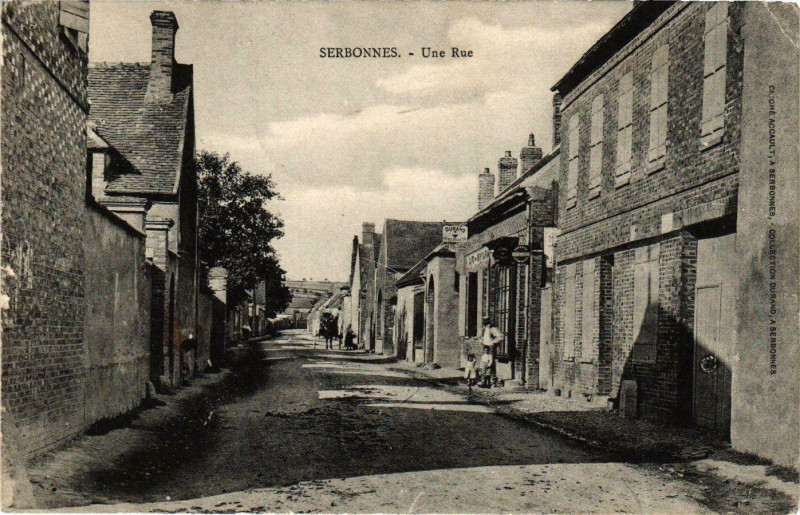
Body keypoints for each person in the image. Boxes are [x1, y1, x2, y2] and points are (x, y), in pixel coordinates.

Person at [481, 316, 503, 386]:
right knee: (484, 363)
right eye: (484, 321)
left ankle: (493, 380)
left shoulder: (493, 328)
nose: (485, 322)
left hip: (490, 347)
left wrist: (493, 343)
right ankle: (484, 381)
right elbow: (484, 337)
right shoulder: (485, 328)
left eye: (486, 321)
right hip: (485, 347)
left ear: (489, 321)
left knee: (491, 363)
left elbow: (500, 337)